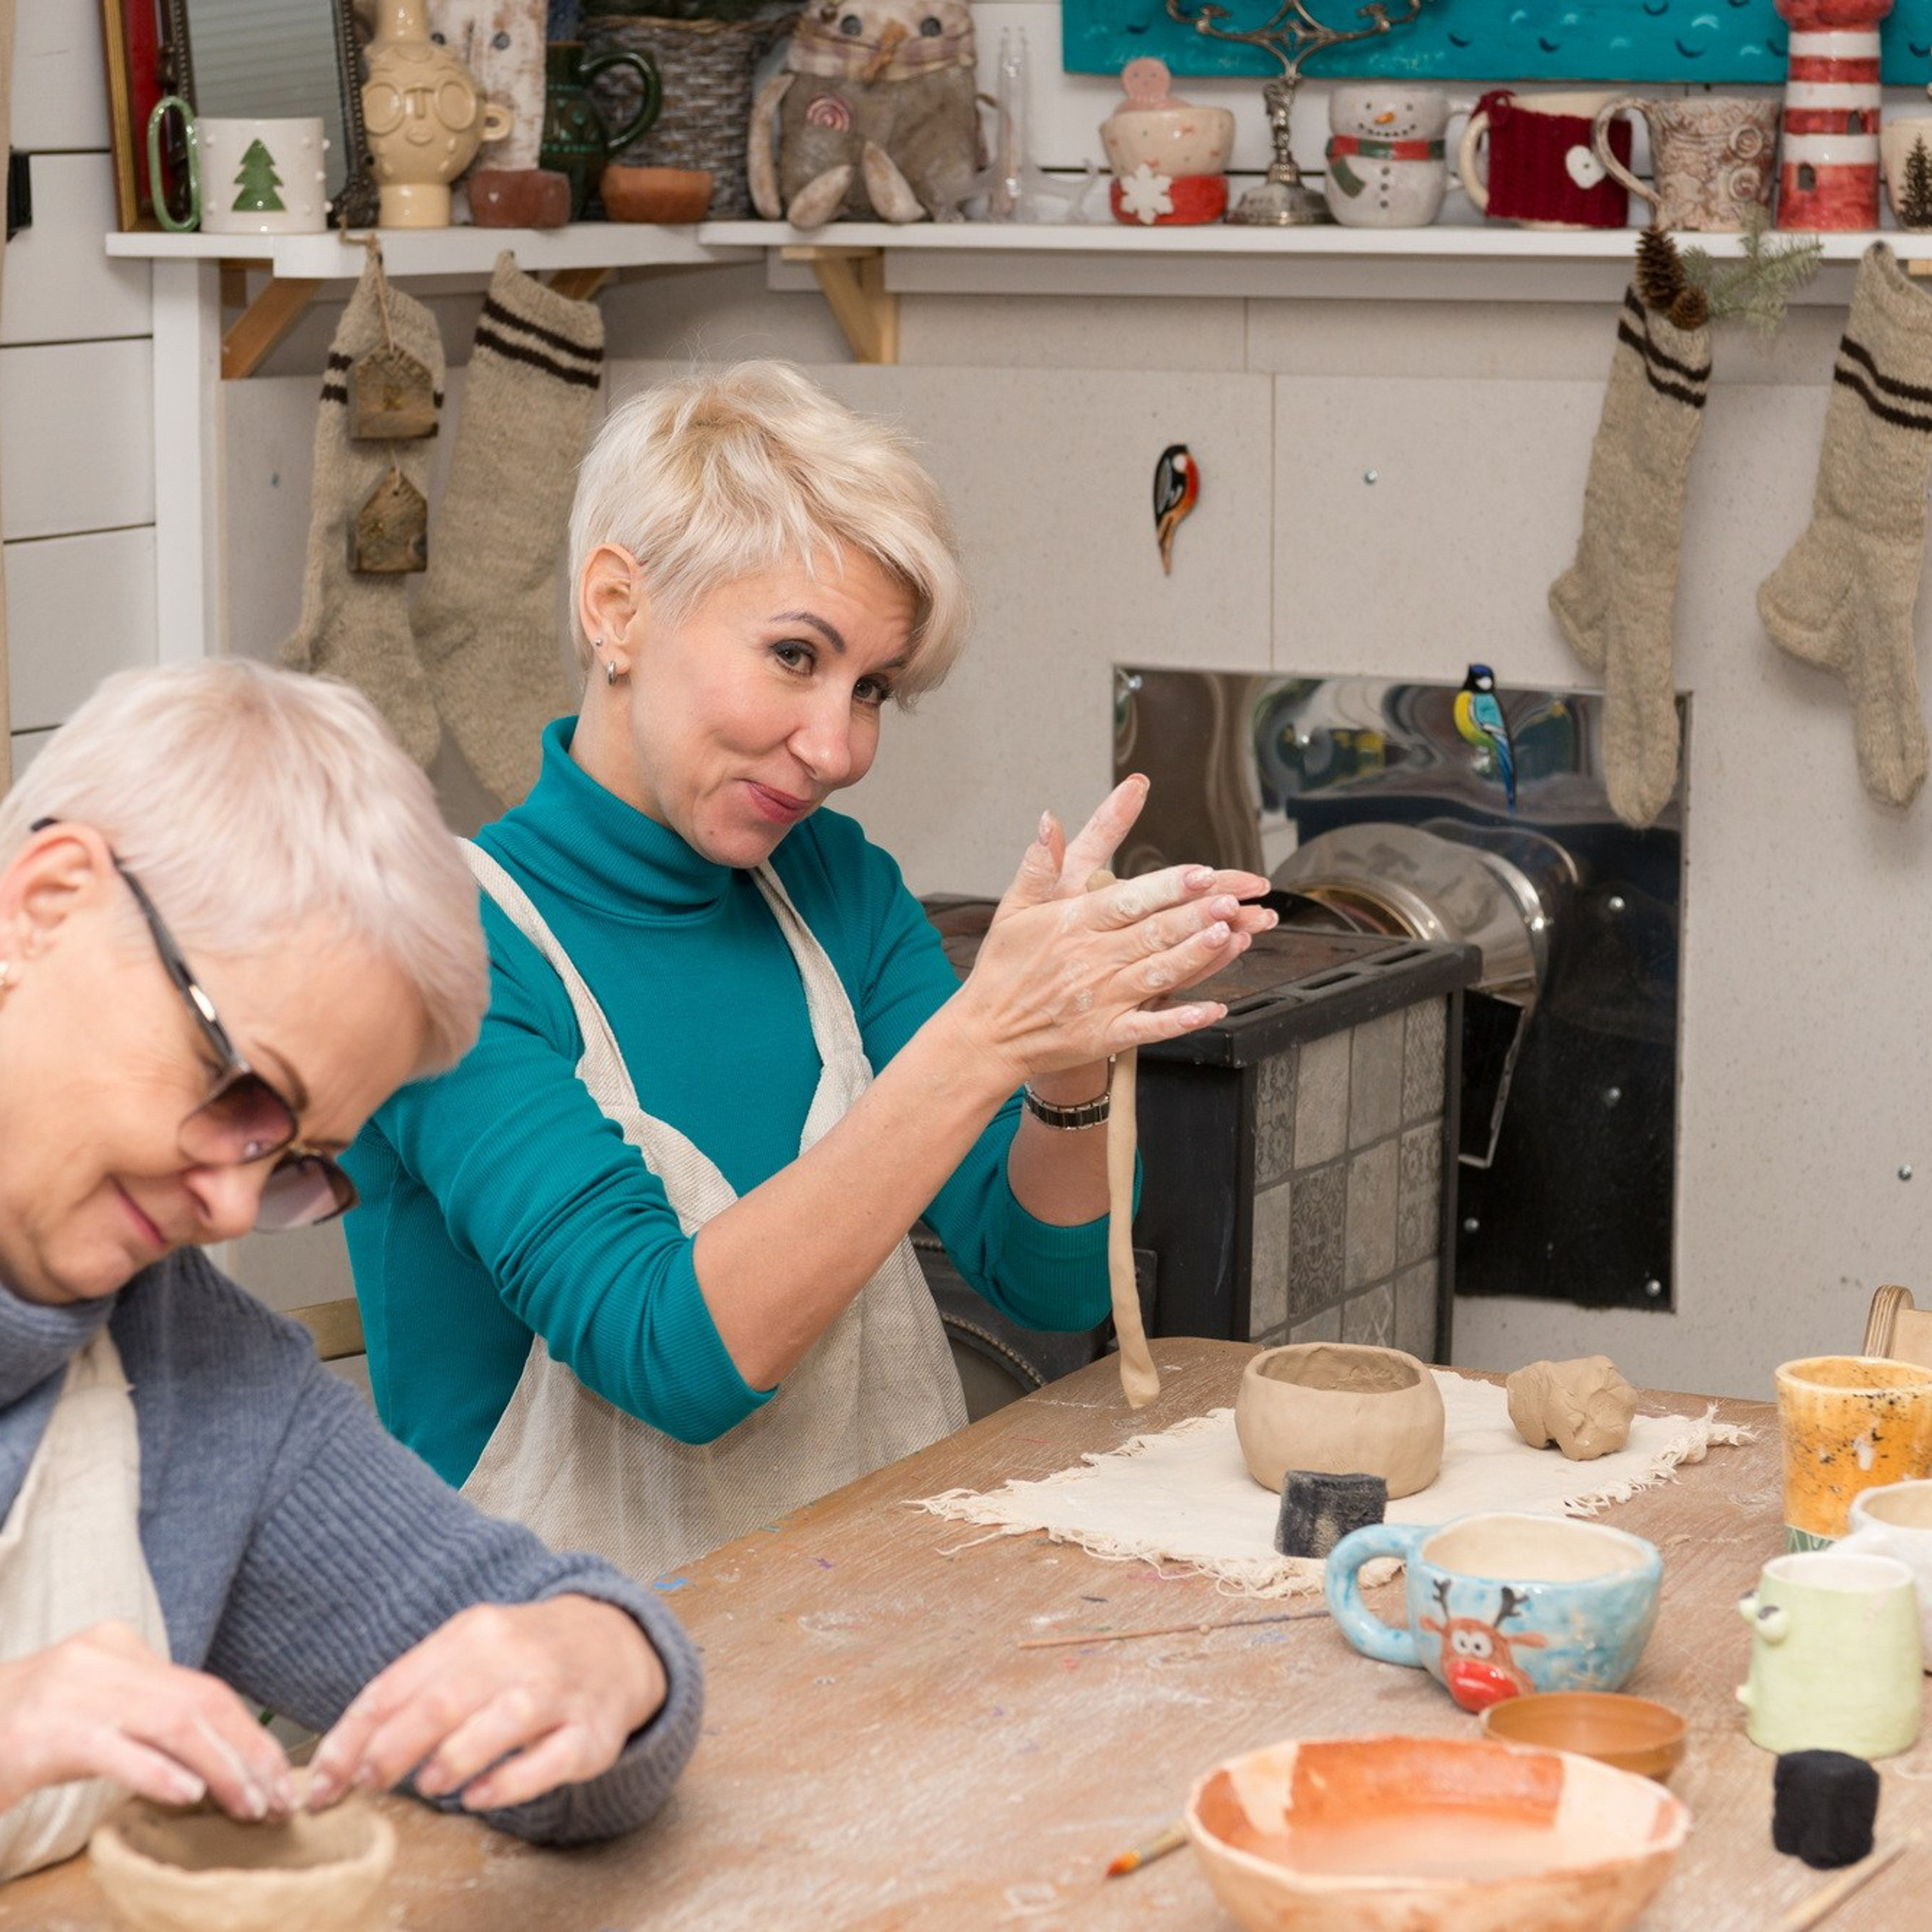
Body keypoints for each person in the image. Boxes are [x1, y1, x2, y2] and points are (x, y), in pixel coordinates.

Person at [346, 361, 1274, 1577]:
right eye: (795, 655)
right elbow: (668, 1358)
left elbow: (1043, 1281)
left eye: (872, 687)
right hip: (542, 1650)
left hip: (864, 1605)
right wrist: (983, 1039)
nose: (837, 748)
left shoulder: (833, 885)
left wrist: (1066, 1066)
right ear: (617, 608)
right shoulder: (438, 955)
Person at [0, 661, 699, 1883]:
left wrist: (609, 1660)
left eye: (293, 1164)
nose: (230, 1210)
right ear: (45, 904)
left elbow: (563, 1685)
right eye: (243, 1093)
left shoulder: (197, 1377)